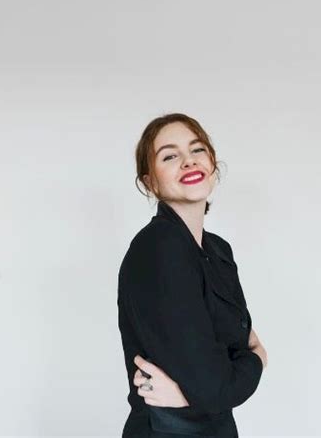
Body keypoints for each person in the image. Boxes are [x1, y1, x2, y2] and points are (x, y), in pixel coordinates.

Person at [117, 113, 268, 437]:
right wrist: (257, 359)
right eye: (169, 156)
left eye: (197, 149)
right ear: (150, 182)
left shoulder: (218, 251)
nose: (188, 161)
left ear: (212, 163)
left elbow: (221, 372)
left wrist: (191, 394)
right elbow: (217, 385)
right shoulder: (159, 246)